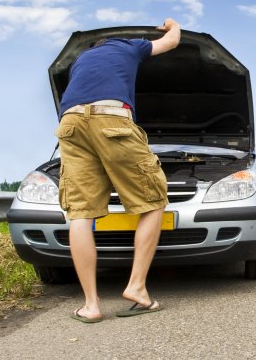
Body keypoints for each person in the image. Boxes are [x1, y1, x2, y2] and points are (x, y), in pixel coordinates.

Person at [55, 18, 181, 323]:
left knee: (80, 213)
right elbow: (172, 41)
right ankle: (137, 287)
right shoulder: (128, 47)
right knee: (152, 201)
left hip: (70, 123)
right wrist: (171, 24)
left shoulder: (80, 61)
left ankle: (91, 305)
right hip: (111, 118)